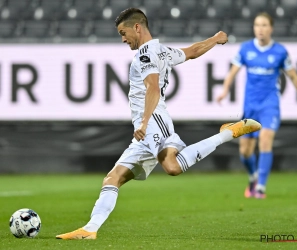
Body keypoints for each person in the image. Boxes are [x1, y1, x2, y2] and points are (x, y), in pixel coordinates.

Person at [56, 8, 261, 240]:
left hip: (153, 121)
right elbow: (192, 52)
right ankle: (90, 229)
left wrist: (144, 123)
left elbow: (152, 88)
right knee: (113, 178)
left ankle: (227, 133)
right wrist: (215, 39)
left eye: (123, 33)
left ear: (137, 27)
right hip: (144, 129)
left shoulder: (144, 55)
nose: (123, 39)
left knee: (172, 167)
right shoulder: (161, 51)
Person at [217, 12, 297, 199]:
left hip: (270, 104)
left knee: (265, 140)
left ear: (271, 28)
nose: (260, 29)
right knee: (244, 151)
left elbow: (293, 76)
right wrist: (224, 91)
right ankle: (253, 177)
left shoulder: (280, 51)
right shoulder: (246, 49)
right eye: (257, 25)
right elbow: (232, 73)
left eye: (264, 25)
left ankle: (261, 187)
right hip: (250, 106)